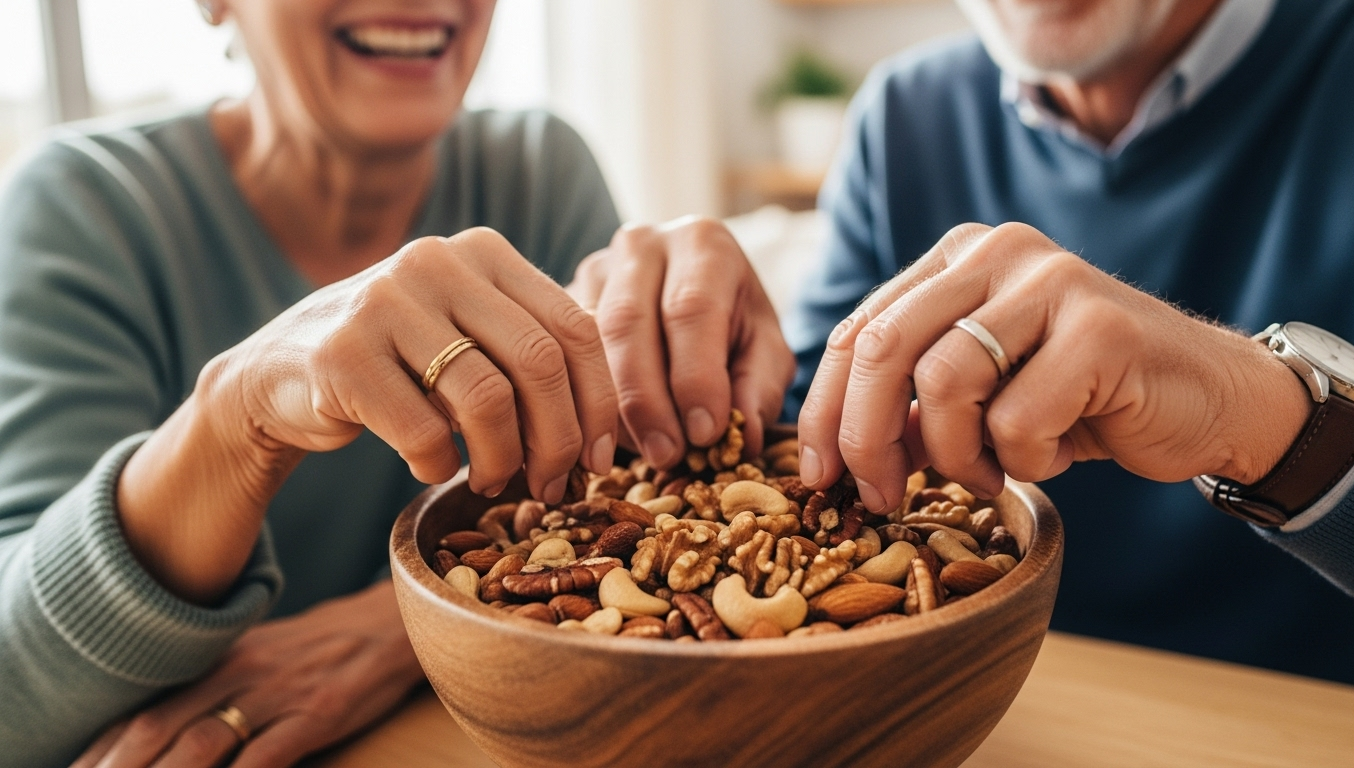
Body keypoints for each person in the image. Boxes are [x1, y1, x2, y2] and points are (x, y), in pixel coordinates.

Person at [0, 0, 791, 765]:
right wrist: (237, 416)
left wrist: (393, 628)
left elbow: (628, 522)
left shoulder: (538, 167)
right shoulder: (82, 205)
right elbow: (14, 706)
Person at [785, 0, 1354, 694]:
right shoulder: (903, 114)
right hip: (997, 716)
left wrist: (1260, 414)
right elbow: (795, 462)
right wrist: (711, 353)